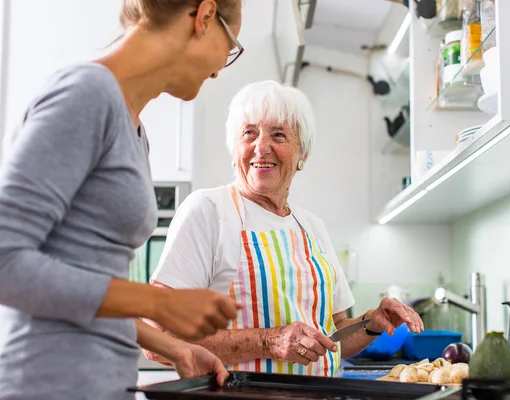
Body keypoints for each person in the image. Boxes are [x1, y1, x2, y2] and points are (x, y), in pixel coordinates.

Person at [0, 1, 244, 399]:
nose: (219, 69)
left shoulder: (135, 129)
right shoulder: (86, 94)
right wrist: (159, 303)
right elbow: (4, 260)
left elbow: (87, 288)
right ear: (203, 17)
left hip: (103, 382)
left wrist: (174, 345)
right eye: (230, 46)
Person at [144, 80, 424, 377]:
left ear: (302, 154)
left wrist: (371, 322)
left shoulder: (312, 227)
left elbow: (335, 334)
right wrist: (269, 341)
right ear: (234, 147)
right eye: (248, 133)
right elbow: (156, 336)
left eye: (278, 135)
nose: (261, 147)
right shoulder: (209, 210)